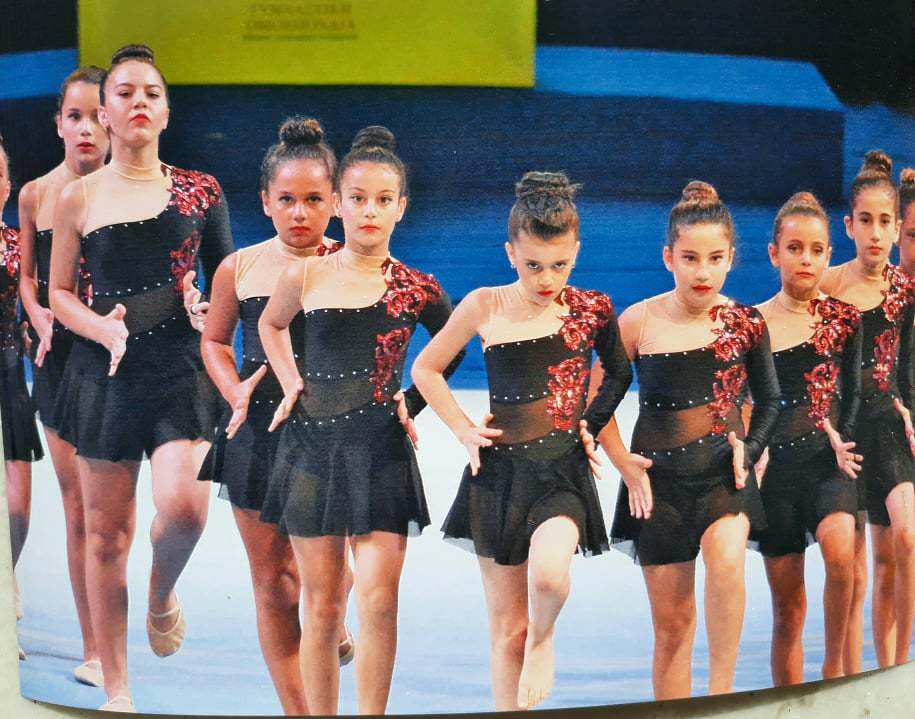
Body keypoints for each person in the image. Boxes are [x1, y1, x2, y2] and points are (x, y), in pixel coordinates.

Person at [48, 44, 233, 712]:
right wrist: (101, 329)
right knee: (107, 537)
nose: (138, 103)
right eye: (124, 93)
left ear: (167, 111)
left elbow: (228, 280)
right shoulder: (77, 197)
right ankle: (119, 687)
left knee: (185, 509)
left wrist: (209, 309)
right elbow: (59, 292)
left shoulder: (201, 191)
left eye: (151, 93)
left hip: (180, 369)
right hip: (106, 375)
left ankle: (161, 591)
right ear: (105, 112)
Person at [258, 125, 461, 715]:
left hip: (381, 453)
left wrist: (412, 401)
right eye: (357, 198)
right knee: (322, 607)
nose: (370, 211)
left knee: (378, 601)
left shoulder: (418, 288)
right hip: (311, 452)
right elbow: (271, 324)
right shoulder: (307, 274)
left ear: (401, 207)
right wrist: (291, 380)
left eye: (383, 199)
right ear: (339, 204)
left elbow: (450, 351)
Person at [411, 171, 632, 710]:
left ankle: (545, 638)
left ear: (576, 252)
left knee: (550, 578)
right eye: (533, 265)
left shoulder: (592, 308)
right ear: (510, 253)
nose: (546, 278)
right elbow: (426, 368)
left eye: (559, 265)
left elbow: (619, 372)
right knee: (507, 630)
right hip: (499, 478)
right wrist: (463, 429)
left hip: (562, 473)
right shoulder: (484, 304)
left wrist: (590, 423)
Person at [198, 116, 352, 715]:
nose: (299, 212)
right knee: (274, 583)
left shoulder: (358, 264)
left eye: (314, 199)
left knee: (332, 581)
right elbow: (215, 342)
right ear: (265, 201)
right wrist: (233, 389)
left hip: (334, 439)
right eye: (286, 199)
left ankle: (335, 615)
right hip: (257, 436)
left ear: (336, 201)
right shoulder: (237, 268)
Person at [604, 180, 780, 699]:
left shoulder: (745, 323)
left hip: (724, 475)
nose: (703, 272)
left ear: (731, 260)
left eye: (715, 259)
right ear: (669, 258)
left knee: (726, 560)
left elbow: (769, 399)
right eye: (690, 258)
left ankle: (722, 697)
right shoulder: (638, 321)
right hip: (658, 487)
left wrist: (752, 447)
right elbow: (594, 404)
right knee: (674, 627)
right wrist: (623, 463)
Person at [16, 66, 108, 686]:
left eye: (98, 116)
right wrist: (40, 315)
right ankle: (95, 648)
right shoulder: (35, 195)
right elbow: (28, 277)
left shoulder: (133, 197)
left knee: (111, 514)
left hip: (117, 363)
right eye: (75, 116)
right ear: (58, 124)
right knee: (79, 510)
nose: (87, 128)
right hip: (57, 363)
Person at [752, 191, 861, 683]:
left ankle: (834, 667)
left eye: (817, 250)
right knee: (788, 611)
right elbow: (740, 398)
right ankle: (791, 701)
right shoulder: (752, 324)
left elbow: (853, 393)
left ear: (829, 255)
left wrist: (845, 439)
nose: (806, 259)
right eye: (795, 248)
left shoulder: (844, 319)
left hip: (827, 463)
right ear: (774, 253)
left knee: (841, 556)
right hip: (775, 474)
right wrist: (750, 450)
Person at [820, 151, 915, 670]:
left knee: (907, 537)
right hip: (843, 431)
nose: (875, 233)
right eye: (865, 221)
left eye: (885, 222)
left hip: (890, 427)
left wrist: (907, 408)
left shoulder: (905, 290)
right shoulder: (828, 286)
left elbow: (907, 363)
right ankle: (848, 676)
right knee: (852, 570)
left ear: (897, 228)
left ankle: (898, 669)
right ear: (848, 226)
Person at [0, 135, 45, 660]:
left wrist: (33, 330)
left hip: (10, 377)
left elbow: (36, 300)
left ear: (7, 186)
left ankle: (6, 576)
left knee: (16, 508)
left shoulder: (18, 245)